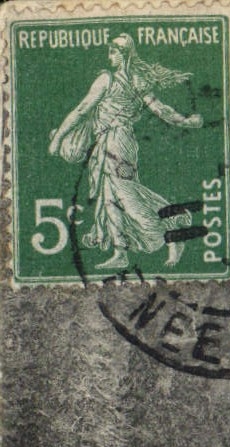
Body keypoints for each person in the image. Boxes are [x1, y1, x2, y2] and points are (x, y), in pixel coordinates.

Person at [47, 34, 202, 271]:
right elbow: (160, 110)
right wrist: (186, 121)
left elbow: (81, 110)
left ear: (124, 54)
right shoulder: (137, 80)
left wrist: (58, 139)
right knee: (110, 199)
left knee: (126, 195)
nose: (109, 56)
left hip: (117, 144)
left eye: (113, 52)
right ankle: (121, 252)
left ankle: (173, 229)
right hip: (113, 143)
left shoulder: (106, 79)